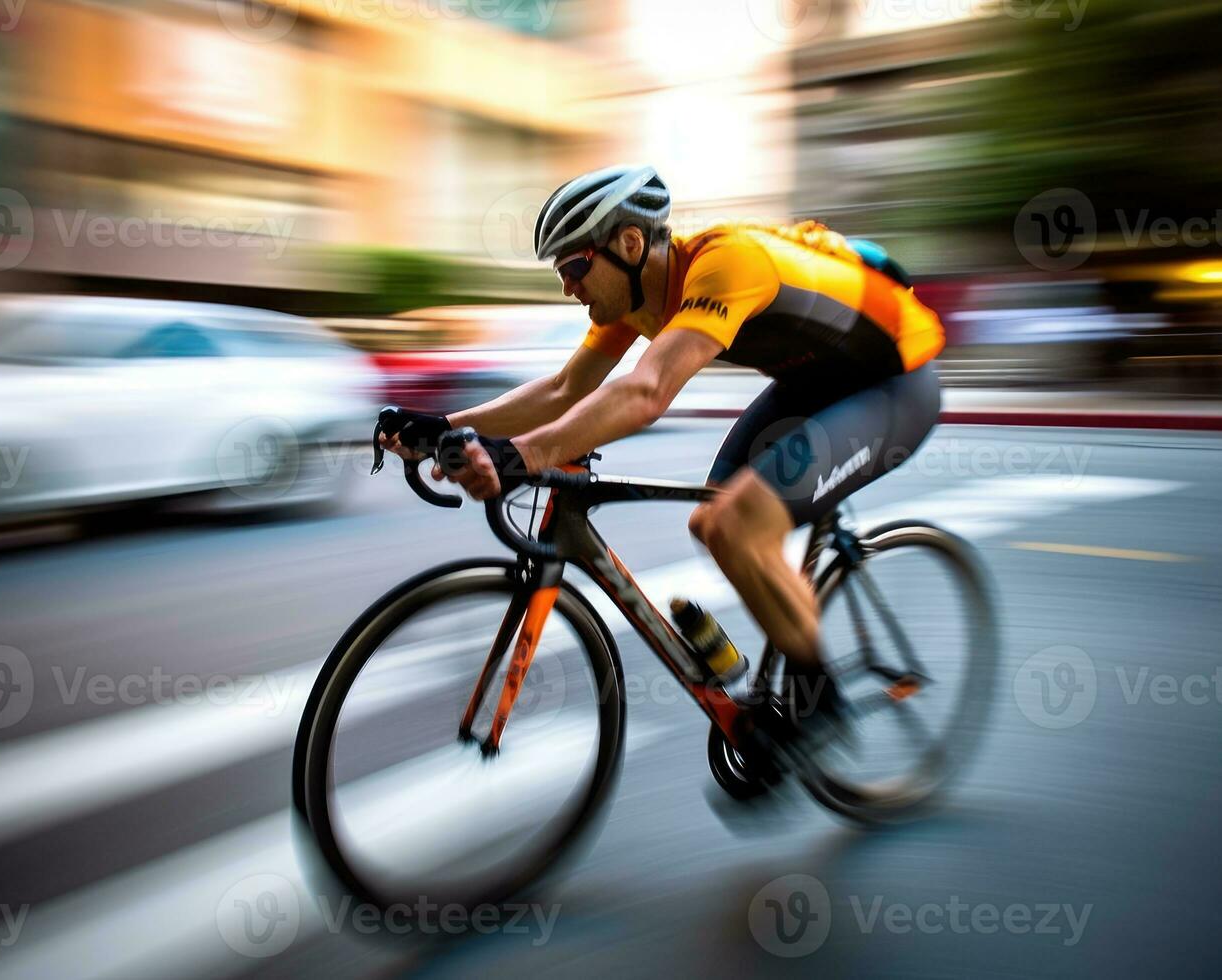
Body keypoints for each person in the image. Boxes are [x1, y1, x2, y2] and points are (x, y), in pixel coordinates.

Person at [378, 164, 944, 728]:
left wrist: (517, 455)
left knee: (737, 524)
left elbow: (647, 392)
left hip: (891, 382)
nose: (567, 285)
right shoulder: (634, 296)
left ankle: (819, 709)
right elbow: (564, 389)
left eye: (574, 266)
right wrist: (444, 425)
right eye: (561, 271)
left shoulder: (728, 262)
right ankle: (767, 657)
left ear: (629, 244)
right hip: (812, 384)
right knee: (710, 521)